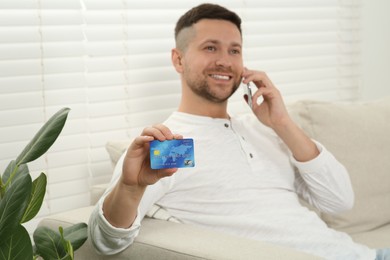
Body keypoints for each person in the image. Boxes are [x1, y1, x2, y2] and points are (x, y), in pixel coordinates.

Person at [89, 3, 389, 260]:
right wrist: (130, 188)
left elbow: (340, 201)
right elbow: (107, 242)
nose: (225, 60)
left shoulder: (264, 130)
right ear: (178, 59)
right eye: (210, 47)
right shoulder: (169, 143)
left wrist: (282, 123)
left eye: (235, 50)